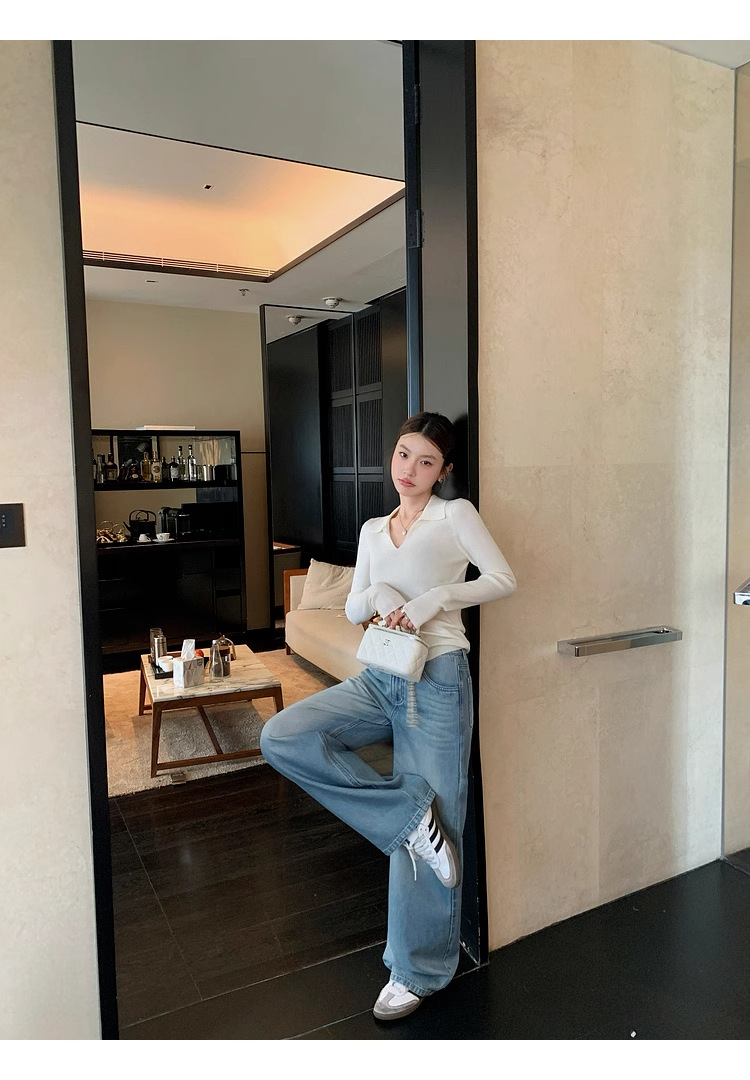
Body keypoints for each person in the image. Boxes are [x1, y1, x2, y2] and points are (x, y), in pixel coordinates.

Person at [259, 412, 516, 1020]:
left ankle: (417, 970)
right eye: (404, 455)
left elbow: (504, 579)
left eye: (426, 462)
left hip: (437, 678)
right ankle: (406, 815)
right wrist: (378, 595)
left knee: (437, 822)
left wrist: (434, 599)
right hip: (380, 675)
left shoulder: (454, 515)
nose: (410, 470)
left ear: (442, 471)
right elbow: (353, 608)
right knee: (283, 735)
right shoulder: (374, 529)